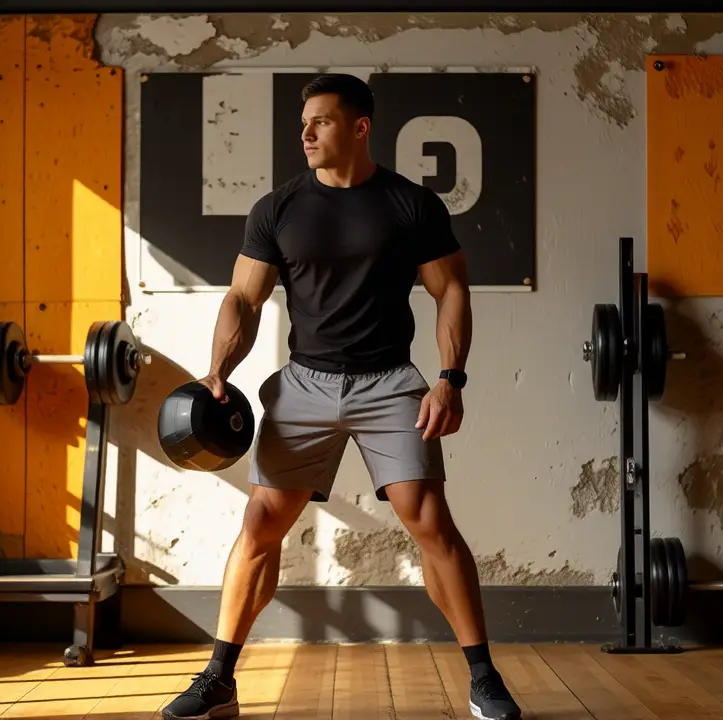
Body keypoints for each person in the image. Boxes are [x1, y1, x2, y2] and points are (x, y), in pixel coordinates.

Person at [161, 73, 522, 720]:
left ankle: (484, 676)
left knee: (430, 522)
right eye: (303, 122)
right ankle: (218, 677)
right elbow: (243, 298)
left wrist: (450, 378)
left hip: (389, 382)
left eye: (321, 122)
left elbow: (452, 291)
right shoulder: (278, 209)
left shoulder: (411, 205)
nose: (304, 133)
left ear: (359, 128)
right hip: (306, 382)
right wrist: (218, 370)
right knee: (261, 524)